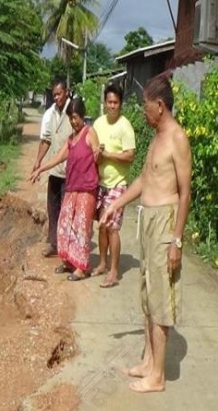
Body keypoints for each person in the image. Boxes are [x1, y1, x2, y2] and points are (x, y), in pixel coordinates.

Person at [101, 75, 192, 393]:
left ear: (160, 106)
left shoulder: (177, 138)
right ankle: (148, 361)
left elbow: (185, 193)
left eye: (146, 106)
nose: (143, 112)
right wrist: (116, 205)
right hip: (147, 220)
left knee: (160, 297)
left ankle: (159, 376)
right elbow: (143, 180)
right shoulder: (156, 138)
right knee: (146, 293)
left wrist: (176, 240)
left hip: (165, 222)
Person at [30, 97, 100, 281]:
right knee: (65, 223)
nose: (73, 121)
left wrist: (99, 153)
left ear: (82, 116)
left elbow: (97, 155)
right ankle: (69, 261)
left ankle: (81, 267)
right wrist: (40, 169)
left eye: (75, 117)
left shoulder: (89, 133)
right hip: (72, 187)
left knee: (81, 227)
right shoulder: (71, 139)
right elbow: (58, 158)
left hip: (86, 189)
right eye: (71, 118)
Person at [92, 83, 136, 289]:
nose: (112, 106)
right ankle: (102, 263)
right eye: (109, 102)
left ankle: (114, 272)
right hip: (101, 182)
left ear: (121, 104)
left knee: (112, 228)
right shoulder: (98, 124)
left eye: (115, 103)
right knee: (101, 226)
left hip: (118, 183)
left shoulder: (125, 126)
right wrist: (97, 154)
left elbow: (130, 156)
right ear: (104, 102)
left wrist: (108, 154)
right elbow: (91, 148)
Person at [33, 79, 73, 258]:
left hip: (70, 171)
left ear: (67, 92)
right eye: (54, 95)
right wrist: (38, 161)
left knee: (67, 211)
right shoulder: (51, 113)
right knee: (52, 207)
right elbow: (46, 139)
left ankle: (67, 247)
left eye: (59, 94)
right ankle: (53, 243)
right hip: (55, 171)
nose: (57, 97)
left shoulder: (74, 110)